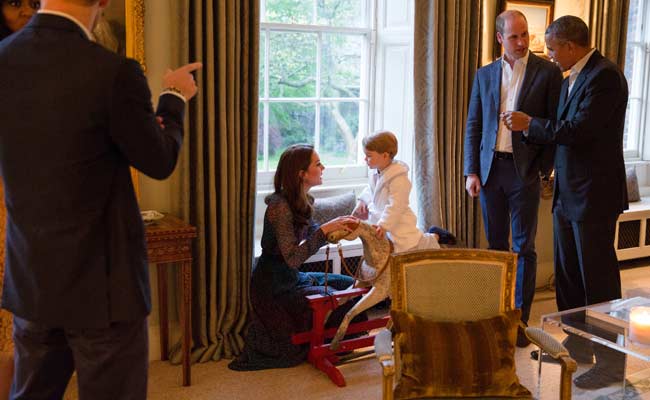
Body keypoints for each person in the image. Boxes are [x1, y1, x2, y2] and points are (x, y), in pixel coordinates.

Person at [0, 0, 201, 398]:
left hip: (33, 279)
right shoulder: (113, 71)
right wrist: (174, 97)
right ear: (103, 2)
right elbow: (159, 159)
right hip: (104, 288)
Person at [503, 15, 629, 389]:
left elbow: (579, 132)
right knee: (569, 281)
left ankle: (610, 364)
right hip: (569, 193)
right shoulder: (573, 75)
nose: (551, 55)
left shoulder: (605, 76)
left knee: (598, 284)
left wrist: (530, 125)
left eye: (554, 48)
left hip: (594, 195)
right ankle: (577, 350)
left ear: (571, 46)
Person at [463, 9, 562, 347]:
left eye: (525, 35)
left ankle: (520, 321)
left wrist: (541, 168)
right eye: (515, 36)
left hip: (525, 171)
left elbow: (554, 126)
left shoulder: (548, 73)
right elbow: (474, 124)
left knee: (524, 248)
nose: (522, 43)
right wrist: (471, 170)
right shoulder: (484, 74)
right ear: (500, 38)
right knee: (495, 247)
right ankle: (497, 312)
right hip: (490, 172)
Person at [229, 144, 360, 371]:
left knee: (350, 285)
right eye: (318, 164)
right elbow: (292, 258)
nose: (323, 167)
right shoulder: (279, 206)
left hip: (291, 277)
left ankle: (337, 344)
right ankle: (325, 345)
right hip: (273, 287)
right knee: (332, 296)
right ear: (301, 173)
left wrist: (338, 228)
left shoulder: (303, 199)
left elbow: (312, 233)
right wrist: (323, 232)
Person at [0, 1, 39, 399]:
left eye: (32, 2)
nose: (26, 11)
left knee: (20, 328)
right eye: (14, 4)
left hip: (24, 203)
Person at [353, 130, 454, 253]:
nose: (365, 159)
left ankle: (436, 235)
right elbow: (371, 190)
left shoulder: (398, 178)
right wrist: (362, 201)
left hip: (398, 221)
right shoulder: (376, 172)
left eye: (369, 156)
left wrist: (384, 225)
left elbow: (396, 204)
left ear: (385, 155)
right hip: (379, 220)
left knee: (413, 245)